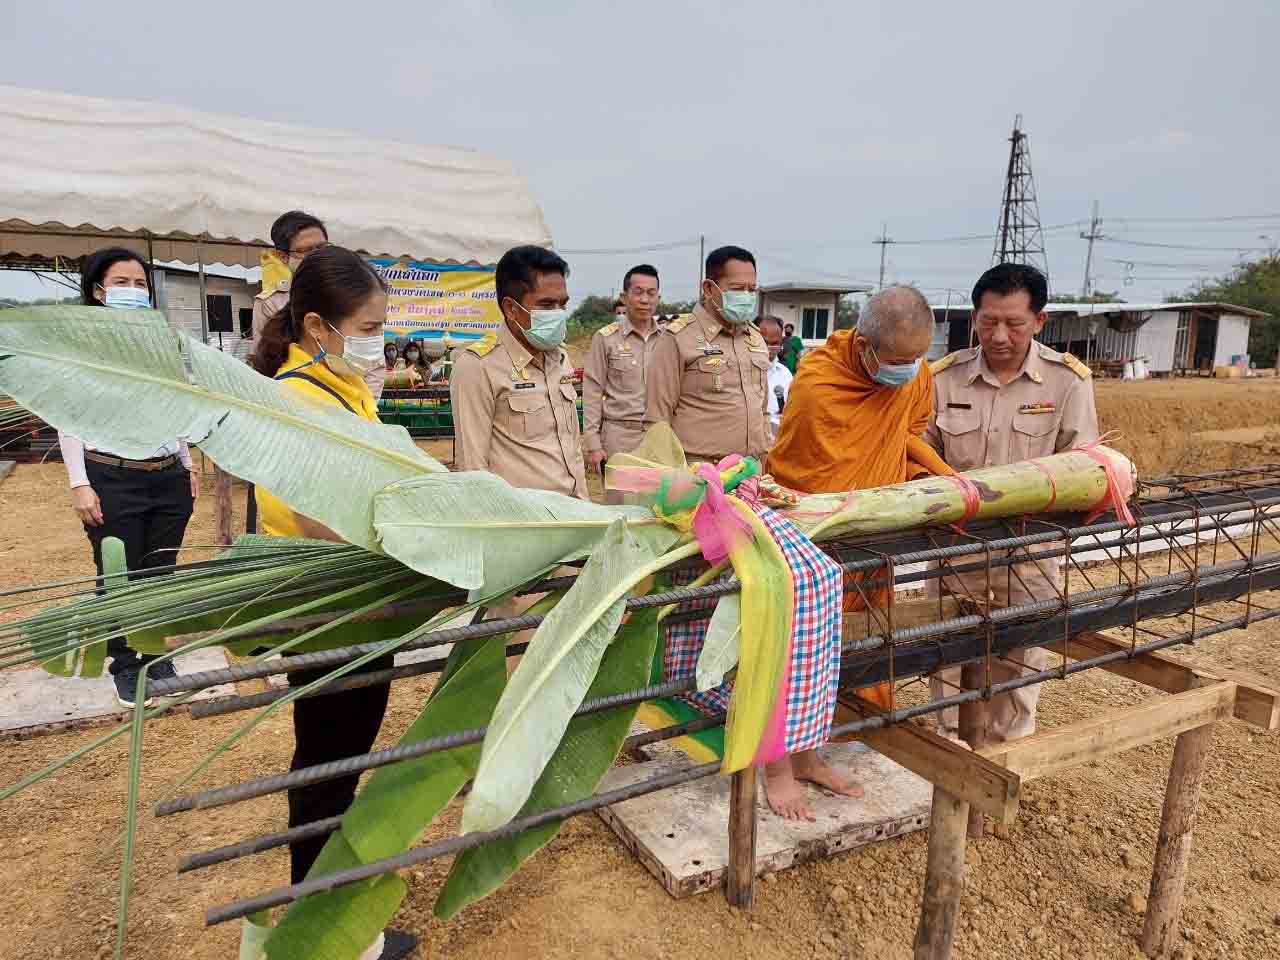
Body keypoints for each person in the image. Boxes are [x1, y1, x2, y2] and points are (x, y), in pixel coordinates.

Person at [250, 245, 416, 960]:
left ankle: (340, 931)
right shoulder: (296, 401)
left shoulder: (342, 390)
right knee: (325, 771)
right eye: (369, 327)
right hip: (335, 608)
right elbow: (326, 517)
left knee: (338, 765)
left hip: (363, 604)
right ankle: (322, 939)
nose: (378, 341)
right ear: (318, 326)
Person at [762, 285, 951, 818]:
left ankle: (811, 754)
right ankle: (777, 766)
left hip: (874, 538)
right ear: (863, 347)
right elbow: (803, 475)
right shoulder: (821, 383)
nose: (907, 372)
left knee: (852, 646)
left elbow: (907, 435)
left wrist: (947, 480)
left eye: (917, 360)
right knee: (791, 650)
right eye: (895, 362)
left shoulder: (917, 375)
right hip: (812, 544)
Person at [925, 263, 1098, 744]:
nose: (999, 336)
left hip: (1030, 557)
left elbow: (1082, 469)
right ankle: (948, 759)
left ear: (1039, 321)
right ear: (974, 316)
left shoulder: (1068, 384)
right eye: (987, 321)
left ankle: (1005, 763)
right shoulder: (943, 379)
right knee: (945, 656)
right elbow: (918, 461)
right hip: (950, 553)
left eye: (1014, 324)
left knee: (1020, 662)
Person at [57, 247, 198, 708]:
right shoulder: (80, 347)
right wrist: (80, 482)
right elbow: (67, 414)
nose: (132, 291)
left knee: (159, 573)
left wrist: (187, 463)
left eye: (140, 284)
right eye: (122, 283)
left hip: (167, 474)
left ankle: (155, 656)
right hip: (112, 476)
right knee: (117, 573)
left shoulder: (159, 342)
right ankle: (125, 664)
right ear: (98, 291)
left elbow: (175, 403)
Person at [450, 245, 588, 499]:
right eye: (546, 305)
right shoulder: (478, 366)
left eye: (562, 304)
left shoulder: (561, 357)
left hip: (574, 516)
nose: (557, 314)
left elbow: (572, 450)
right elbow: (472, 469)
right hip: (523, 523)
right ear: (511, 309)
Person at [643, 245, 770, 464]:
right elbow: (657, 419)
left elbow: (763, 409)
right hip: (699, 473)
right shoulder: (678, 337)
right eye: (738, 289)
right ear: (709, 289)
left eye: (752, 289)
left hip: (751, 471)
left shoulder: (755, 338)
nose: (747, 296)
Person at [583, 264, 663, 479]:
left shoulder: (669, 339)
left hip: (660, 438)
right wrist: (593, 444)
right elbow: (591, 391)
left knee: (659, 509)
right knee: (619, 509)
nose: (644, 300)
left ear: (658, 298)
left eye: (651, 293)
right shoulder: (605, 338)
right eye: (637, 292)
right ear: (624, 296)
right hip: (619, 438)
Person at [757, 315, 792, 437]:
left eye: (775, 343)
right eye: (765, 342)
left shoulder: (785, 374)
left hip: (775, 442)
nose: (769, 347)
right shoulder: (739, 371)